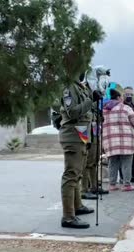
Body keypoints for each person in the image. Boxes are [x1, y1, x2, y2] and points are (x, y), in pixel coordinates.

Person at [58, 67, 97, 229]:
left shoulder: (78, 86)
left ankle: (77, 207)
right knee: (71, 174)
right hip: (73, 135)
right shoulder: (68, 87)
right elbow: (73, 112)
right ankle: (68, 217)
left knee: (78, 173)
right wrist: (90, 101)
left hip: (81, 134)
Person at [103, 88, 134, 192]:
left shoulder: (105, 110)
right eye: (121, 97)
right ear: (118, 98)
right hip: (126, 140)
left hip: (110, 141)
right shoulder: (125, 108)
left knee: (112, 162)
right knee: (126, 162)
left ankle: (112, 184)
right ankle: (126, 184)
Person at [80, 76, 109, 200]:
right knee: (86, 161)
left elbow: (93, 111)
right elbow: (82, 110)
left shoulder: (94, 91)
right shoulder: (83, 90)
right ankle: (84, 189)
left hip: (94, 130)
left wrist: (99, 115)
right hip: (84, 129)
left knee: (94, 160)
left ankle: (94, 185)